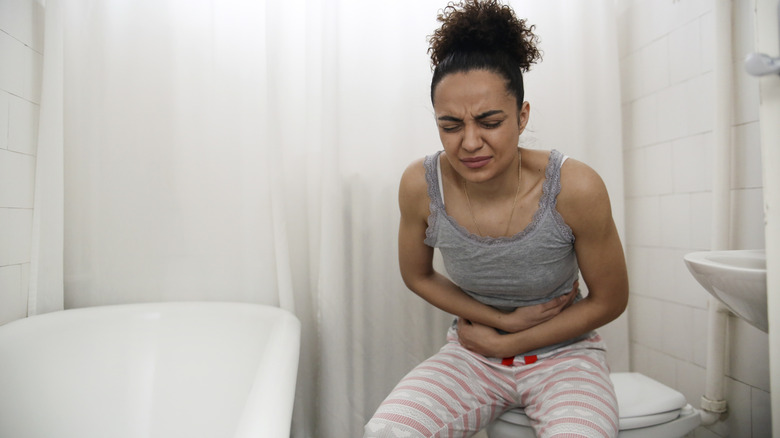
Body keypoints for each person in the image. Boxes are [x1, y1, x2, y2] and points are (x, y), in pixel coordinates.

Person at [364, 1, 629, 437]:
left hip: (565, 357)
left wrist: (508, 342)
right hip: (471, 354)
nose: (470, 142)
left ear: (522, 117)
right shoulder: (421, 184)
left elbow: (610, 300)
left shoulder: (573, 186)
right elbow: (418, 275)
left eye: (489, 121)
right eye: (450, 125)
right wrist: (500, 323)